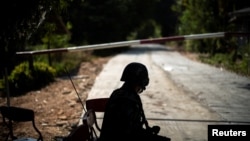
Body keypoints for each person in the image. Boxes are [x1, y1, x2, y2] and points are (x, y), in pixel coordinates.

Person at [99, 62, 171, 141]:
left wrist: (149, 132)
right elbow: (128, 133)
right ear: (140, 82)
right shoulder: (128, 100)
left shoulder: (119, 93)